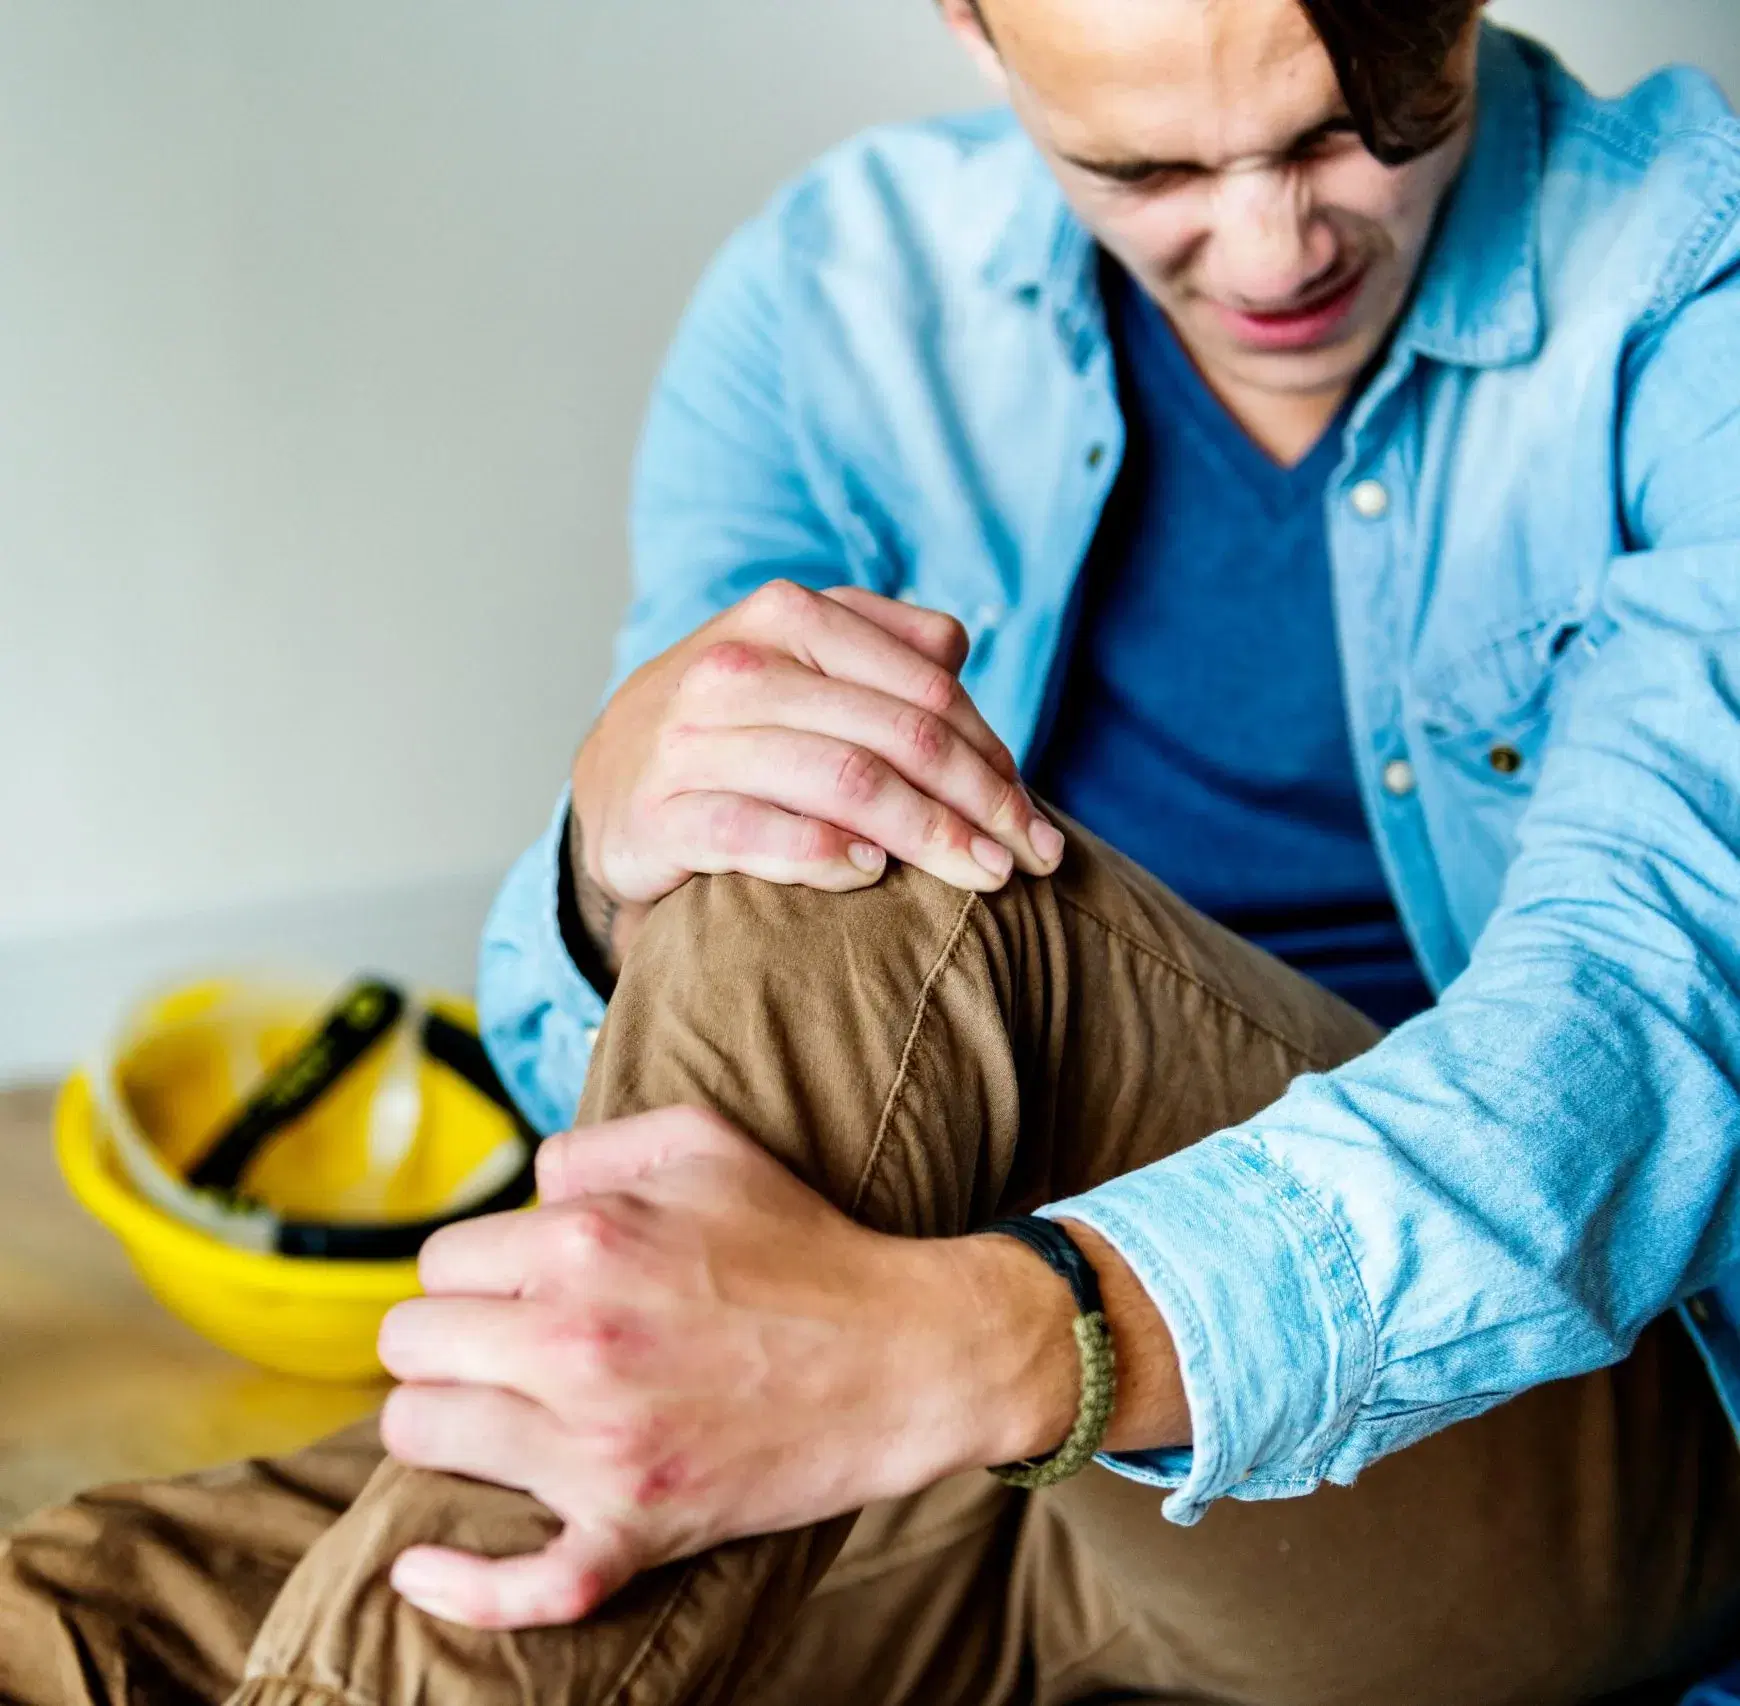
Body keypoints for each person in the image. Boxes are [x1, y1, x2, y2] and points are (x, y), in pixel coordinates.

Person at [6, 0, 1740, 1701]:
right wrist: (608, 857)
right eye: (1146, 170)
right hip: (926, 1410)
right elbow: (630, 1092)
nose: (1274, 247)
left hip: (1519, 1430)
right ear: (972, 27)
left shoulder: (1685, 277)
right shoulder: (838, 300)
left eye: (1352, 130)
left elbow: (1639, 1044)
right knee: (84, 1619)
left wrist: (993, 1344)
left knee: (860, 847)